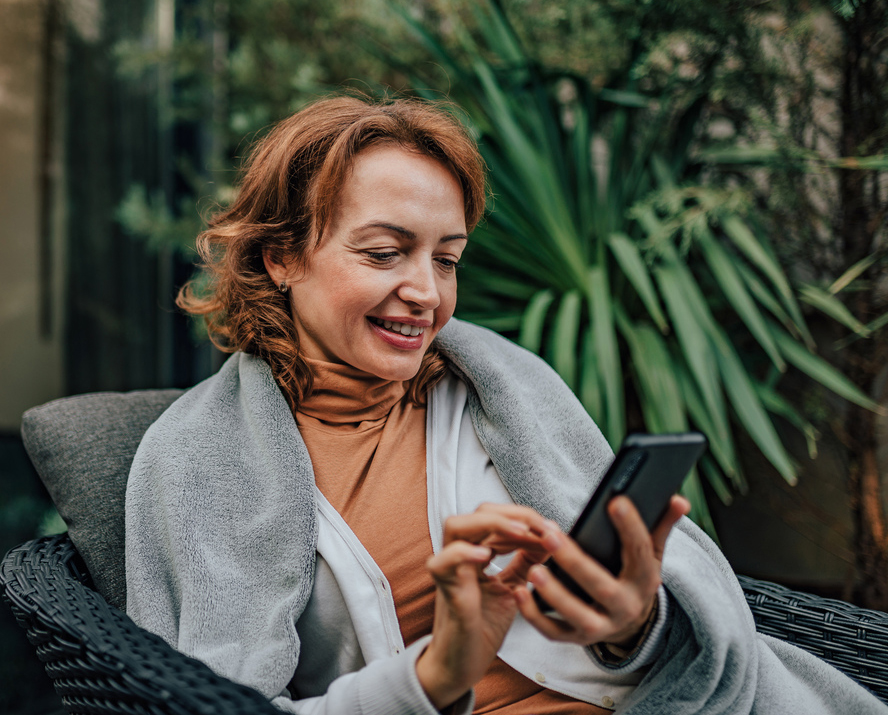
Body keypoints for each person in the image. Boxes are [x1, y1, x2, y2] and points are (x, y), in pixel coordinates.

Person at [124, 95, 884, 714]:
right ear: (280, 256)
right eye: (385, 253)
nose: (426, 292)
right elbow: (212, 705)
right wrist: (433, 676)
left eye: (446, 258)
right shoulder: (198, 458)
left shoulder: (502, 388)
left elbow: (663, 634)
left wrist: (632, 625)